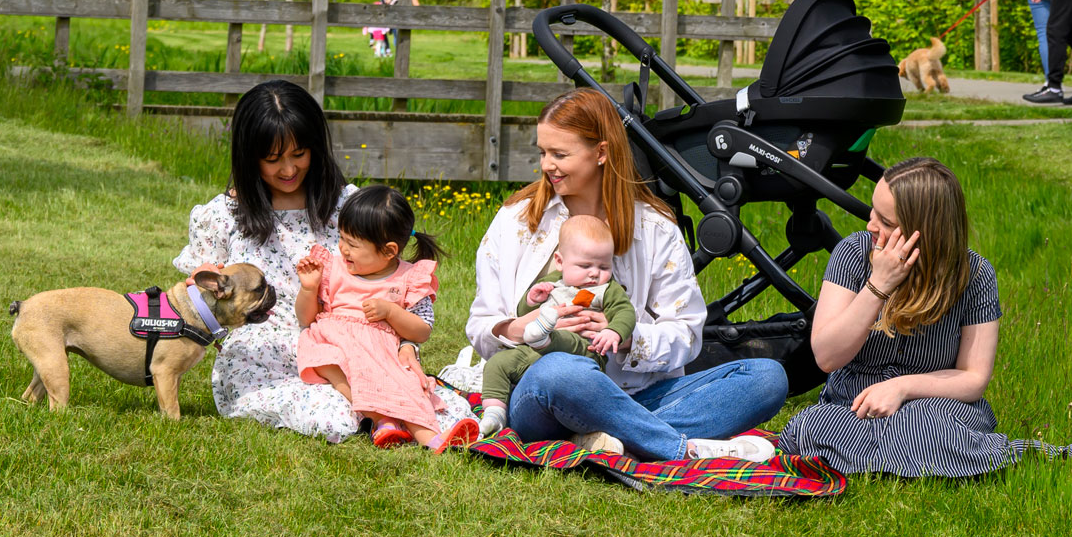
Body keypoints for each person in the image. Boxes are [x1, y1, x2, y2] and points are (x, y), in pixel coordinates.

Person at [462, 89, 789, 461]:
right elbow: (480, 323)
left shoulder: (654, 228)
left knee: (766, 378)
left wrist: (627, 337)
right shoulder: (518, 220)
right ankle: (679, 447)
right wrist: (521, 328)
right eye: (543, 152)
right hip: (541, 390)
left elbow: (686, 333)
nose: (546, 165)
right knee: (563, 371)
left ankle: (604, 436)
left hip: (634, 394)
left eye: (560, 154)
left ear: (601, 152)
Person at [173, 79, 471, 442]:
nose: (288, 169)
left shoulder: (347, 206)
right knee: (330, 415)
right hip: (267, 351)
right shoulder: (225, 215)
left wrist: (407, 344)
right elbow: (202, 285)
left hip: (351, 344)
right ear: (249, 157)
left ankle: (380, 410)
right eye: (272, 159)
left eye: (299, 154)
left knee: (440, 408)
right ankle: (373, 412)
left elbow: (396, 284)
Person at [777, 156, 1059, 477]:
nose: (870, 224)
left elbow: (973, 378)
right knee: (817, 425)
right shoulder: (853, 254)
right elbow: (827, 357)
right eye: (873, 211)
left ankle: (875, 456)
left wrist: (902, 387)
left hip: (932, 404)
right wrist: (878, 286)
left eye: (885, 221)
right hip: (854, 405)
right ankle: (942, 458)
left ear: (922, 231)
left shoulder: (975, 275)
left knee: (924, 422)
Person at [295, 186, 474, 451]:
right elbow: (306, 319)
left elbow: (421, 331)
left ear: (389, 251)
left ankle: (432, 438)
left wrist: (391, 312)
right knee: (331, 362)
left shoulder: (409, 278)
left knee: (407, 384)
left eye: (352, 244)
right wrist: (309, 288)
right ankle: (381, 419)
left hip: (383, 351)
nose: (343, 248)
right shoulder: (333, 268)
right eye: (341, 238)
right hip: (337, 344)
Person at [474, 213, 634, 426]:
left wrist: (614, 331)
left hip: (581, 351)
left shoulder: (607, 289)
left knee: (565, 340)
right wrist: (532, 299)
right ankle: (494, 413)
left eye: (603, 267)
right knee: (497, 364)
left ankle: (543, 338)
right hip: (533, 351)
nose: (594, 274)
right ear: (560, 262)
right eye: (585, 266)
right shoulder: (553, 283)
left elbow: (625, 312)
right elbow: (522, 313)